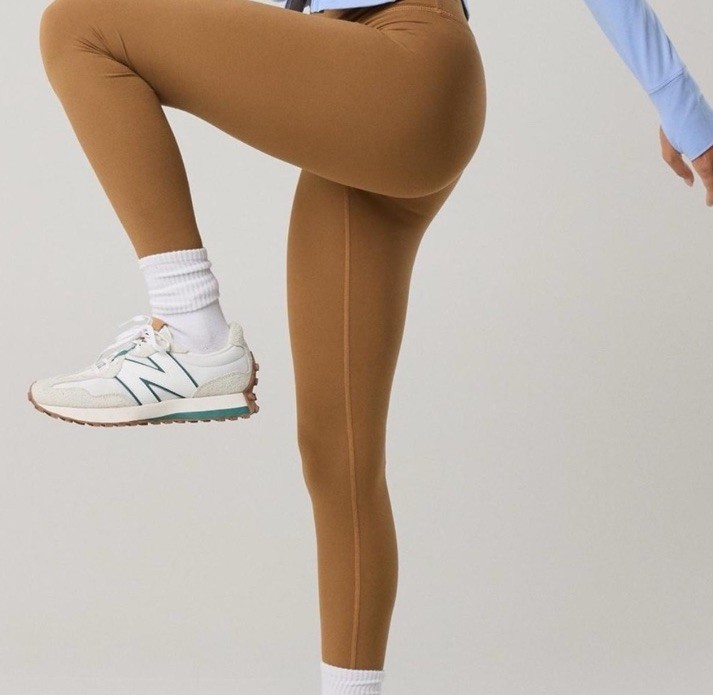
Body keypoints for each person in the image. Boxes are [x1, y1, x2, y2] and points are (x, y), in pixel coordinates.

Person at [27, 0, 713, 692]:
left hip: (404, 67)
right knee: (338, 459)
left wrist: (683, 110)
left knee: (79, 26)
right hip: (362, 87)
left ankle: (189, 328)